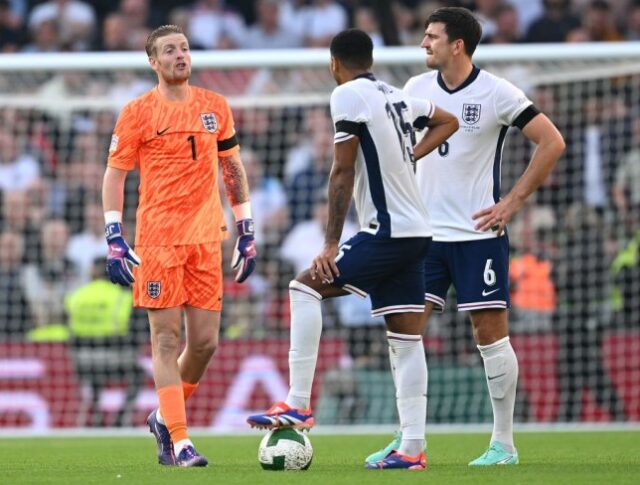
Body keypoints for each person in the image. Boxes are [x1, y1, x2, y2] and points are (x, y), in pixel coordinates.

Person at [246, 28, 458, 470]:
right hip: (418, 233)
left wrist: (330, 242)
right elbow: (447, 120)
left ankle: (297, 403)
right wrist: (411, 156)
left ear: (333, 63)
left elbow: (341, 171)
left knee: (304, 288)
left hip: (387, 231)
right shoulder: (398, 97)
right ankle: (412, 449)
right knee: (405, 340)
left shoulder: (347, 95)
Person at [366, 7, 565, 467]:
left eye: (432, 37)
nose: (424, 44)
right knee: (406, 331)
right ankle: (408, 438)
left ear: (458, 45)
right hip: (422, 237)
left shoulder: (497, 92)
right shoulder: (415, 89)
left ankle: (504, 443)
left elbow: (551, 141)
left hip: (478, 235)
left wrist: (512, 202)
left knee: (489, 334)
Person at [101, 24, 257, 467]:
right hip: (159, 240)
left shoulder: (215, 106)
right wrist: (114, 235)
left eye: (185, 48)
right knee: (165, 339)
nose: (180, 55)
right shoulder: (137, 112)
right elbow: (115, 173)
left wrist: (246, 228)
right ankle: (182, 440)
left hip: (208, 238)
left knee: (205, 344)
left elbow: (232, 167)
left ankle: (163, 418)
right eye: (170, 50)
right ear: (154, 61)